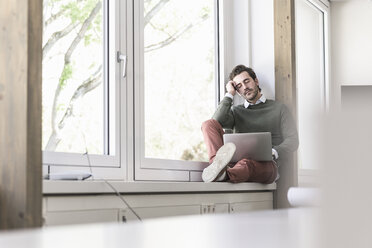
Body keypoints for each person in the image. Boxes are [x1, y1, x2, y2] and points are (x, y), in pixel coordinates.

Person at [201, 65, 299, 183]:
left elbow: (293, 140)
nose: (245, 87)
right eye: (239, 86)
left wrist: (273, 152)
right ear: (237, 91)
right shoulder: (236, 112)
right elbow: (216, 121)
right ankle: (216, 167)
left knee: (246, 164)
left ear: (256, 81)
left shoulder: (279, 108)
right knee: (208, 124)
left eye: (246, 81)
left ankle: (223, 174)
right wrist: (229, 94)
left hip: (267, 166)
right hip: (237, 164)